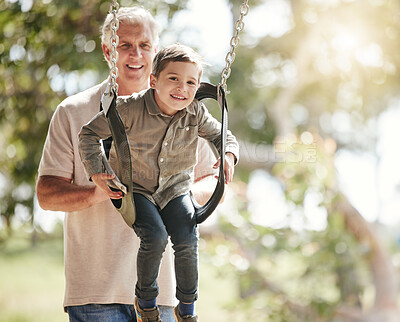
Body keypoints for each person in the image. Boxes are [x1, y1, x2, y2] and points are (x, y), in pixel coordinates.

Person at [36, 7, 220, 322]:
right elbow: (46, 195)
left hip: (162, 296)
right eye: (125, 45)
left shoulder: (184, 110)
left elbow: (211, 178)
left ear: (156, 52)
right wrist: (100, 189)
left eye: (145, 45)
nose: (135, 54)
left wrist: (178, 194)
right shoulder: (72, 112)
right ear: (108, 50)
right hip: (96, 295)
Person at [78, 44, 239, 322]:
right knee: (155, 236)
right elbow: (88, 135)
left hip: (175, 189)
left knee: (188, 239)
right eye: (173, 78)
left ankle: (186, 308)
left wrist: (227, 154)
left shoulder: (196, 113)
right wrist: (97, 173)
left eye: (191, 82)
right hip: (135, 188)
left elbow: (224, 136)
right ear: (154, 81)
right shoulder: (127, 109)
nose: (182, 88)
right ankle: (146, 301)